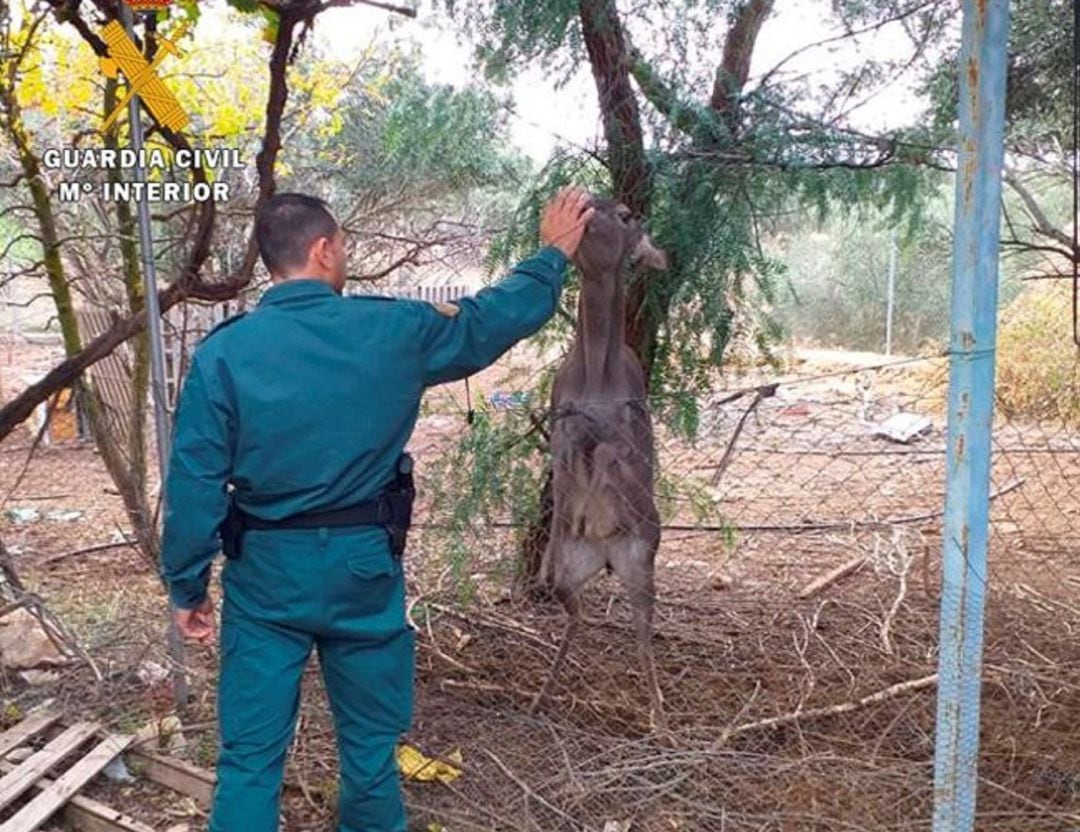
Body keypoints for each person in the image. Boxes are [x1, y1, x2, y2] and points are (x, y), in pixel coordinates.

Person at [159, 187, 594, 832]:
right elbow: (490, 320)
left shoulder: (224, 353)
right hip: (364, 570)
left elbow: (195, 482)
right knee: (368, 751)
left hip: (266, 576)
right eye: (342, 248)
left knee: (250, 758)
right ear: (323, 248)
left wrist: (187, 585)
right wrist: (552, 254)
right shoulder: (392, 330)